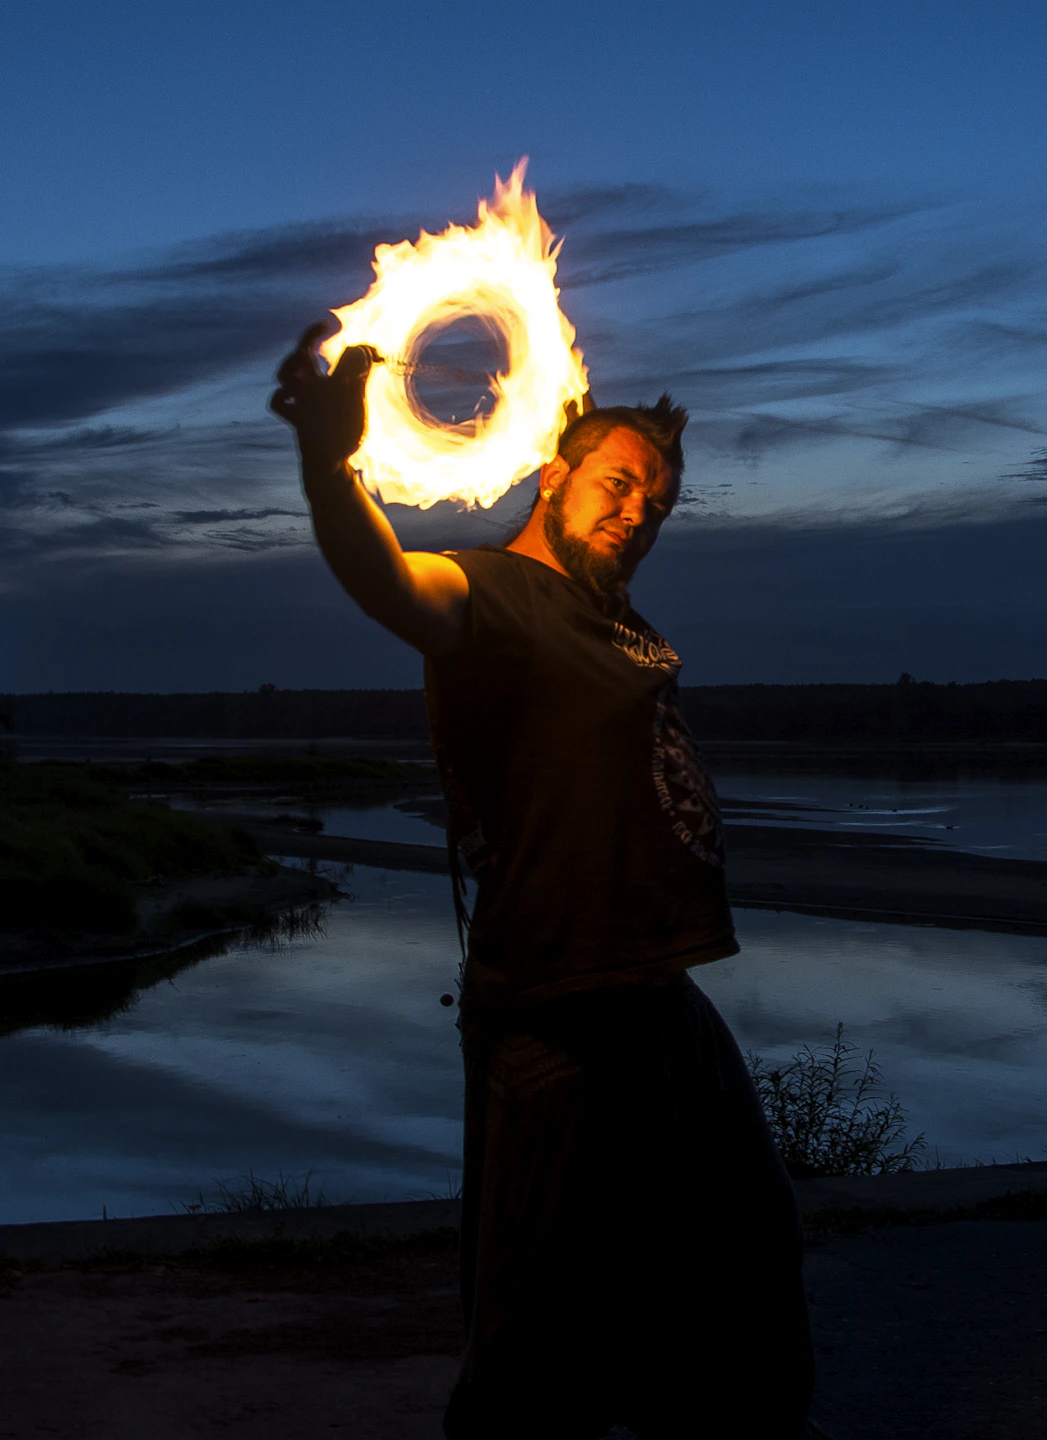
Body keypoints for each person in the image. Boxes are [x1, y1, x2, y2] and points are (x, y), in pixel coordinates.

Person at [270, 324, 815, 1439]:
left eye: (656, 505)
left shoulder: (613, 617)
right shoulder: (495, 598)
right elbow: (392, 587)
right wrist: (331, 469)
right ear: (555, 475)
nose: (637, 513)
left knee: (745, 1267)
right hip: (557, 1007)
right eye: (618, 485)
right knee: (534, 1331)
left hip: (661, 990)